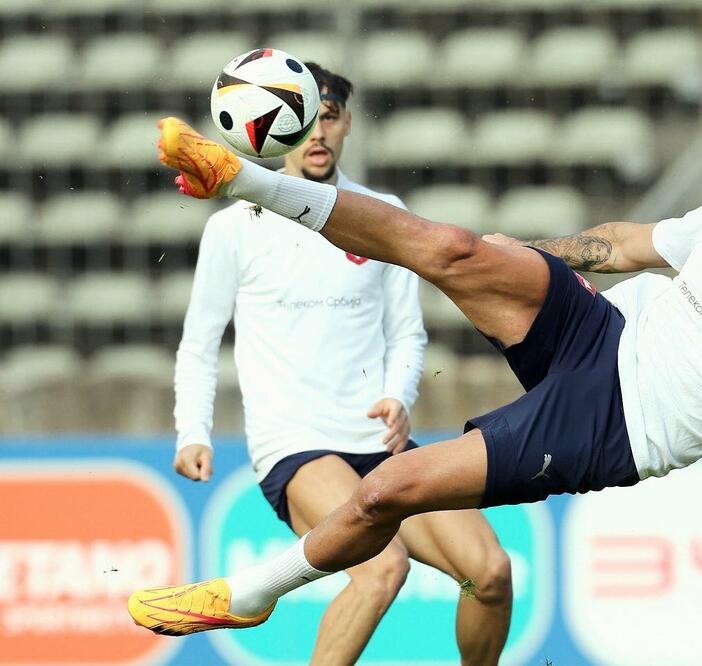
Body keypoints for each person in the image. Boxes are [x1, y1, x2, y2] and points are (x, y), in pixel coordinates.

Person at [133, 118, 702, 666]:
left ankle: (252, 595)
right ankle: (241, 178)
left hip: (614, 426)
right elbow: (620, 245)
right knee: (453, 246)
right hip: (599, 332)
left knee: (389, 488)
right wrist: (503, 261)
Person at [159, 64, 513, 666]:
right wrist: (192, 430)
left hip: (377, 441)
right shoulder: (234, 227)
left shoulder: (382, 211)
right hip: (295, 444)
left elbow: (406, 332)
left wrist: (400, 396)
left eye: (327, 117)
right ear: (270, 135)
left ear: (346, 122)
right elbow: (199, 342)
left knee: (491, 573)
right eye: (300, 123)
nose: (316, 134)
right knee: (381, 571)